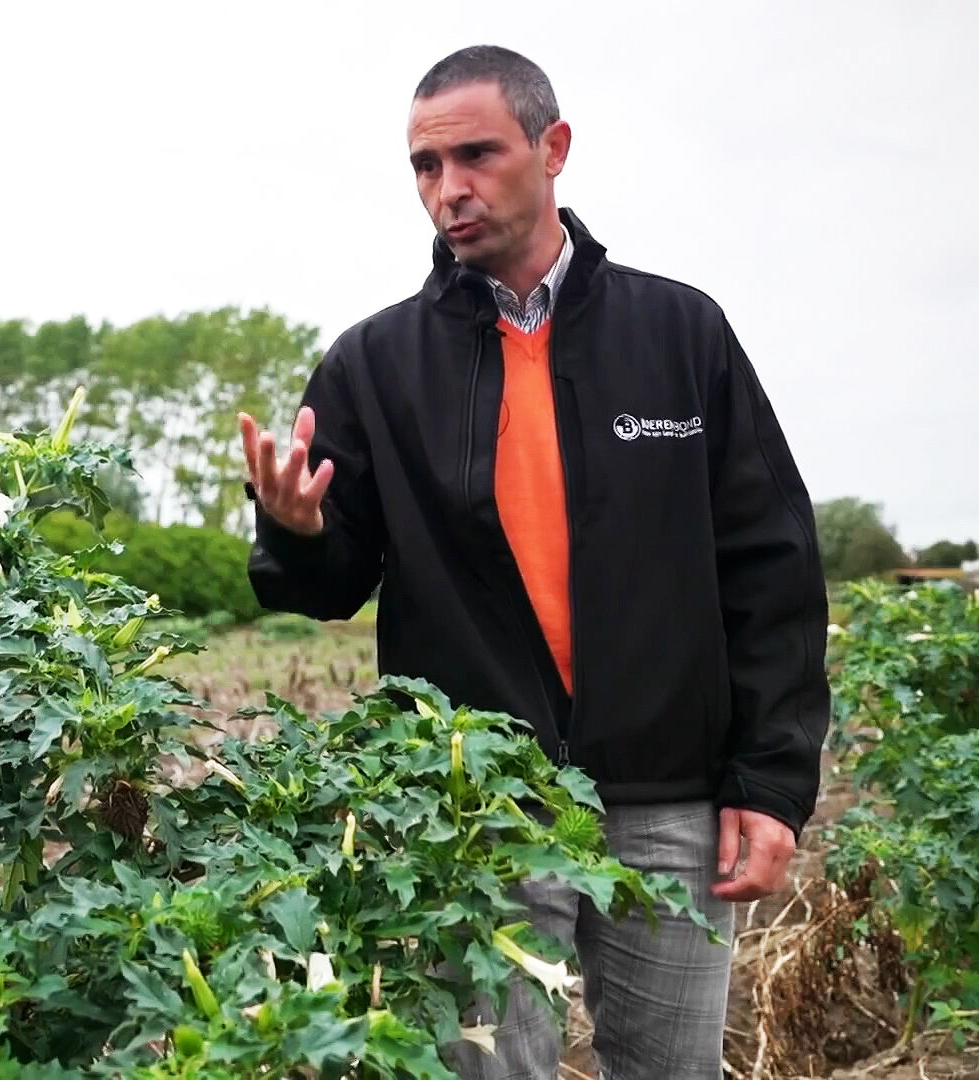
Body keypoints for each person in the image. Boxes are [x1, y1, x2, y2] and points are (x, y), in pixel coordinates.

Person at [238, 45, 829, 1079]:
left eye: (476, 154)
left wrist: (770, 784)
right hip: (478, 810)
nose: (449, 189)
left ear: (553, 148)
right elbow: (330, 586)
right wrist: (293, 528)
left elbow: (771, 569)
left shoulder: (680, 333)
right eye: (425, 166)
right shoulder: (375, 364)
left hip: (668, 803)